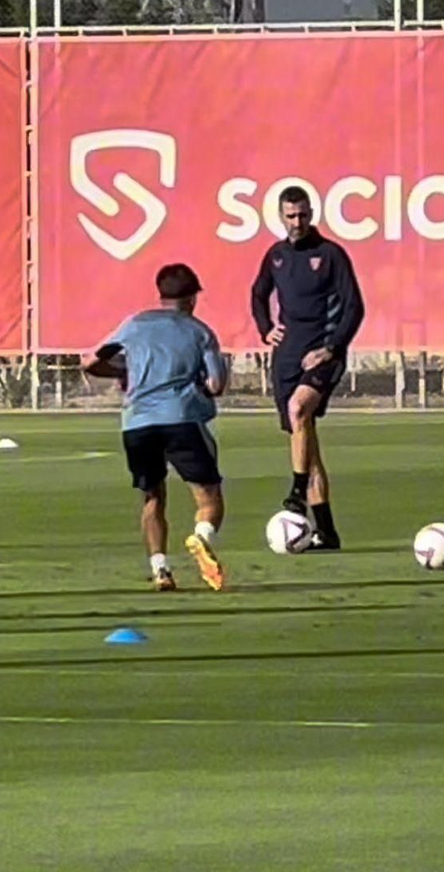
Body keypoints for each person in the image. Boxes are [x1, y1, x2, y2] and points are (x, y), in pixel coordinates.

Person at [86, 263, 229, 592]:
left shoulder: (135, 324)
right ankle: (201, 537)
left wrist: (126, 372)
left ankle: (161, 569)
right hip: (181, 418)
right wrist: (199, 385)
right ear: (193, 298)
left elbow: (91, 362)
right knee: (209, 501)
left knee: (152, 499)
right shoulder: (200, 331)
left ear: (161, 294)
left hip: (137, 423)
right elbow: (217, 384)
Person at [249, 187, 364, 550]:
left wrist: (330, 349)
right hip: (286, 357)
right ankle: (327, 531)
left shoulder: (330, 254)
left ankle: (296, 492)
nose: (297, 222)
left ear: (311, 213)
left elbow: (354, 307)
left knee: (300, 408)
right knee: (305, 440)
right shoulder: (277, 255)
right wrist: (267, 329)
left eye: (302, 215)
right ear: (281, 217)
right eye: (290, 216)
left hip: (322, 355)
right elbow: (257, 294)